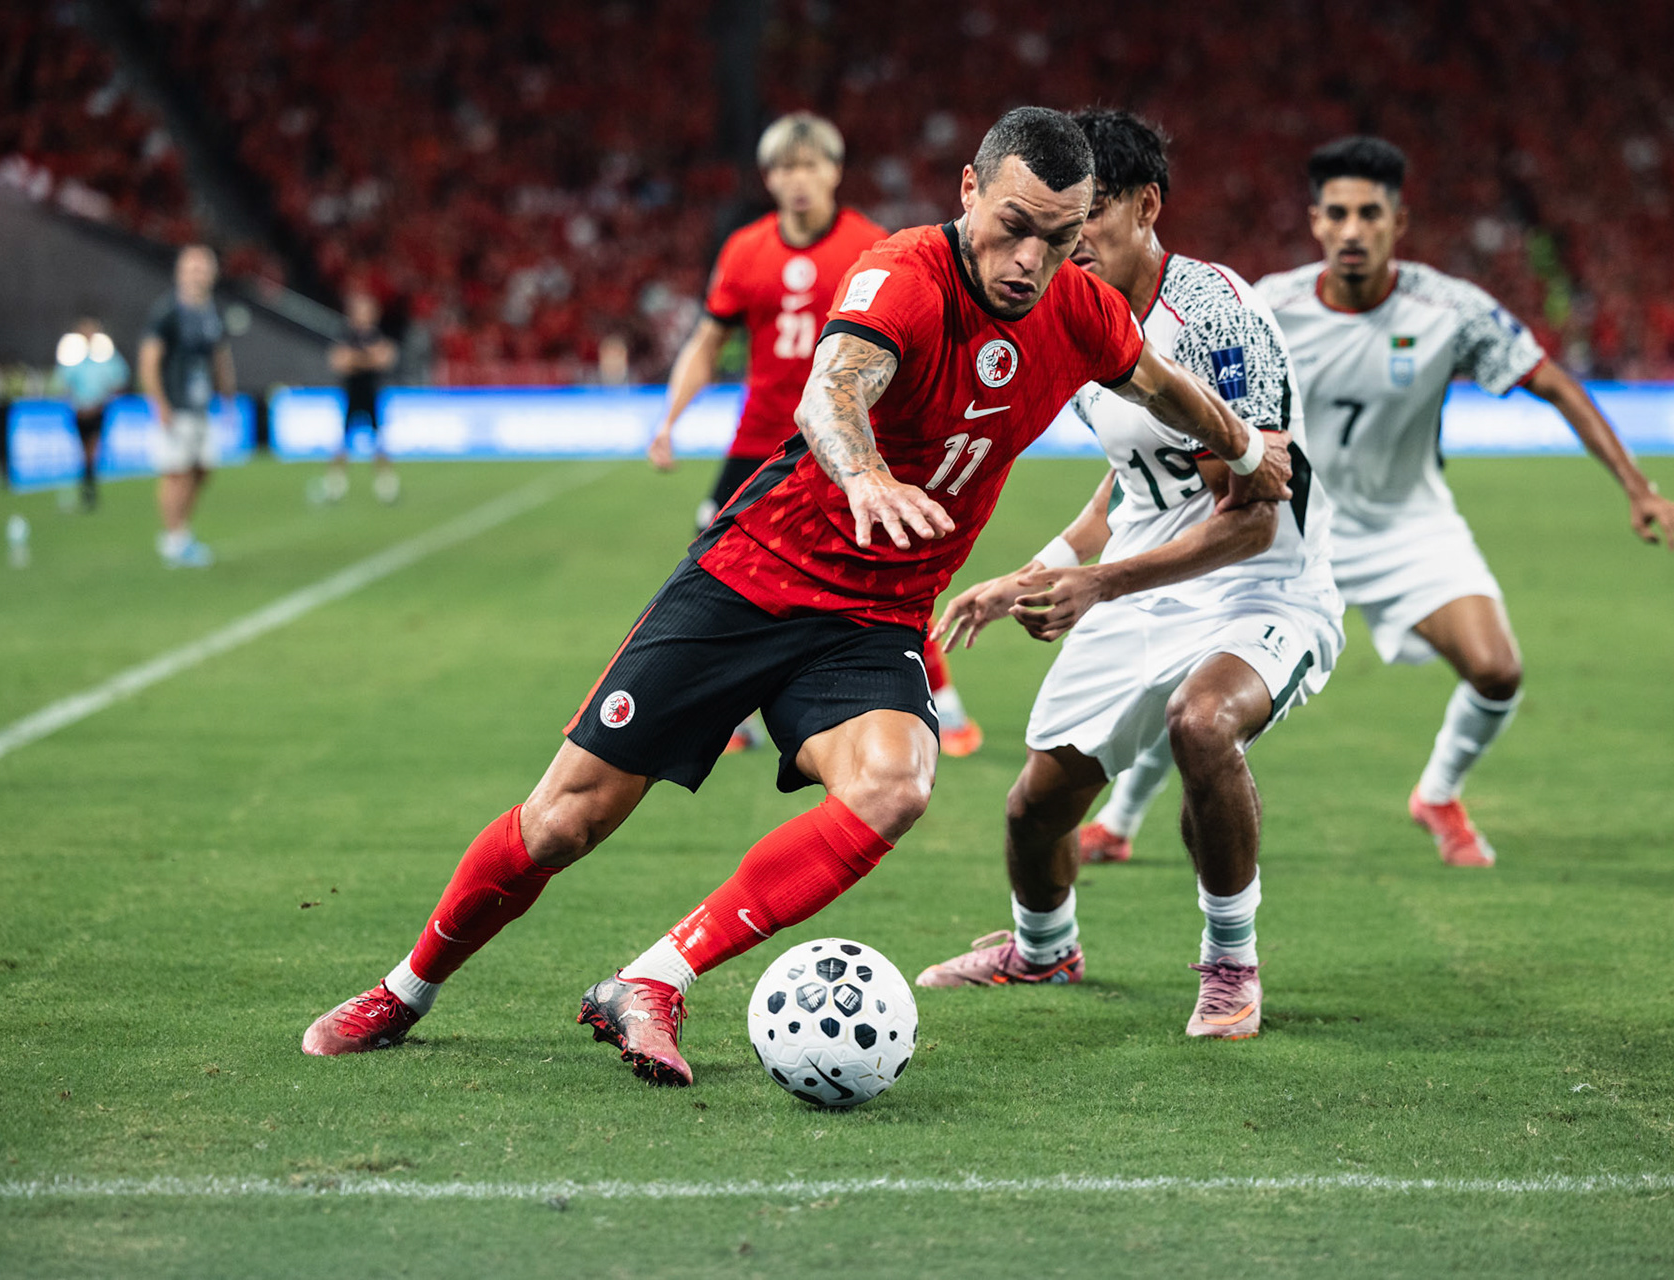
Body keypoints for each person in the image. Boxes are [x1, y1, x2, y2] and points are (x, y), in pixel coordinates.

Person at [301, 107, 1292, 1085]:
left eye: (1062, 237)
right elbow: (832, 389)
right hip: (750, 580)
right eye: (1015, 224)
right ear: (969, 192)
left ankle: (654, 976)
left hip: (870, 618)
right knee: (562, 821)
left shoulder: (1080, 311)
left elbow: (1161, 384)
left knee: (898, 781)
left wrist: (1248, 448)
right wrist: (863, 474)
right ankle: (407, 987)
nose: (1032, 258)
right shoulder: (906, 273)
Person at [1078, 135, 1674, 869]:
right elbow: (1172, 427)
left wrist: (1639, 488)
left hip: (1409, 526)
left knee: (1498, 670)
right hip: (1289, 522)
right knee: (1192, 679)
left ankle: (1438, 793)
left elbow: (1553, 382)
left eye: (1370, 214)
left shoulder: (1450, 309)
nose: (1352, 230)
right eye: (1336, 213)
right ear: (1314, 221)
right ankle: (1120, 818)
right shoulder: (1261, 305)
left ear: (1397, 224)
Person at [915, 111, 1341, 1041]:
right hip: (1143, 584)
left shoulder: (1216, 314)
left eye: (1086, 221)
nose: (1063, 248)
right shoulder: (1074, 316)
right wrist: (1038, 570)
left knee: (1202, 723)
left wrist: (1096, 588)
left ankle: (1231, 964)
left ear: (1148, 207)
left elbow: (1253, 519)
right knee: (1036, 807)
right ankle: (1042, 951)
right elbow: (1131, 481)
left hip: (1262, 587)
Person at [646, 111, 984, 757]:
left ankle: (945, 705)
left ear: (834, 171)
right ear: (768, 178)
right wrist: (669, 421)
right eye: (785, 168)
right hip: (757, 442)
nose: (799, 179)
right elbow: (708, 339)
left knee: (882, 572)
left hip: (845, 440)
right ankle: (734, 716)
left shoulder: (871, 245)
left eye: (811, 165)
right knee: (718, 570)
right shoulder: (745, 250)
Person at [139, 245, 233, 568]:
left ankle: (181, 532)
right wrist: (159, 403)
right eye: (193, 267)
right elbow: (149, 360)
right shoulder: (168, 312)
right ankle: (174, 538)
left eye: (204, 268)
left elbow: (220, 357)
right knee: (176, 472)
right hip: (176, 406)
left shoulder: (211, 313)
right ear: (180, 272)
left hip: (202, 406)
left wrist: (228, 395)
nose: (198, 273)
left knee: (202, 470)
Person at [319, 289, 400, 505]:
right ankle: (335, 486)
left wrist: (356, 360)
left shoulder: (377, 336)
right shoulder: (346, 335)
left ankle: (387, 487)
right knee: (343, 443)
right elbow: (339, 362)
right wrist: (367, 359)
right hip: (352, 395)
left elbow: (384, 359)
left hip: (372, 395)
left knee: (380, 443)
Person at [55, 316, 130, 510]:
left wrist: (104, 396)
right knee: (84, 452)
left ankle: (89, 489)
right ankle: (88, 487)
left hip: (98, 409)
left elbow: (120, 377)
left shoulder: (105, 355)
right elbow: (63, 382)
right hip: (80, 411)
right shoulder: (72, 356)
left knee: (92, 452)